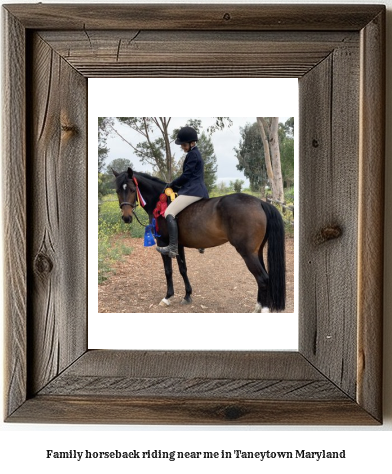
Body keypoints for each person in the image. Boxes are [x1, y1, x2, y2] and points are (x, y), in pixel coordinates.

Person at [156, 126, 209, 258]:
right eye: (182, 145)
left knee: (169, 212)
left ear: (192, 143)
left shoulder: (192, 154)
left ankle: (173, 248)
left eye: (184, 145)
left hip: (193, 191)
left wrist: (172, 184)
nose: (182, 147)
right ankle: (200, 241)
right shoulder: (195, 153)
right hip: (195, 189)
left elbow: (186, 176)